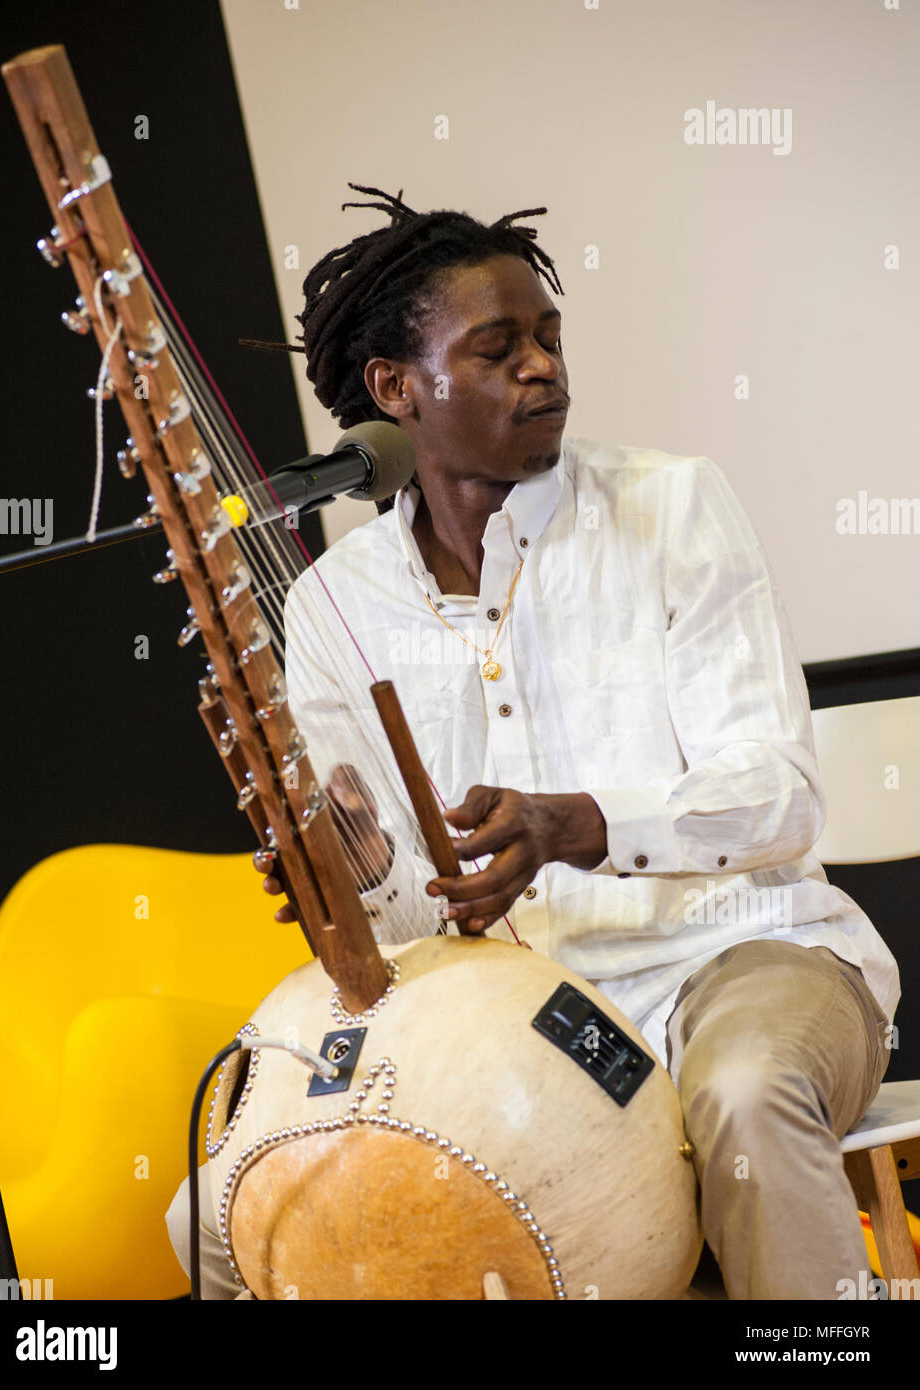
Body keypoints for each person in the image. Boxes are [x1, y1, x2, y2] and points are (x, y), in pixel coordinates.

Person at [168, 185, 900, 1300]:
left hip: (736, 959)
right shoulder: (332, 607)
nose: (544, 368)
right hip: (509, 1023)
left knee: (745, 1096)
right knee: (218, 1201)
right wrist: (351, 871)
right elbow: (417, 916)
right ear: (394, 389)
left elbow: (781, 798)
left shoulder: (671, 508)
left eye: (549, 339)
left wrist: (583, 825)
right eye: (499, 347)